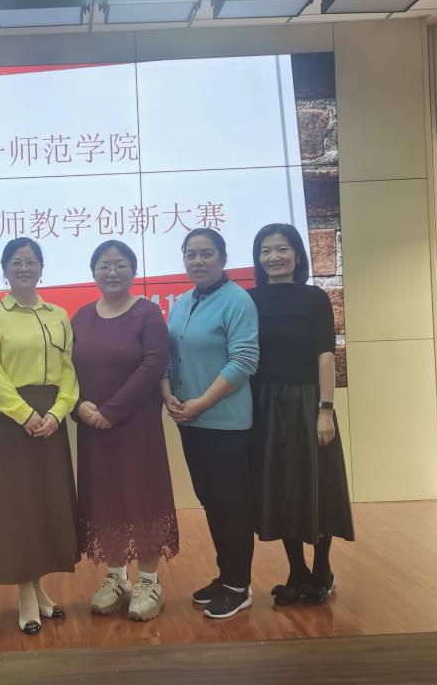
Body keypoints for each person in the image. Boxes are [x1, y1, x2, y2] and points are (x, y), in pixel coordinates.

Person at [0, 237, 80, 635]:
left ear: (41, 268)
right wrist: (24, 414)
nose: (23, 268)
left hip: (51, 420)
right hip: (11, 421)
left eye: (30, 261)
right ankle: (25, 595)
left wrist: (58, 411)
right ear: (4, 270)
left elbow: (69, 370)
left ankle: (39, 589)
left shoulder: (59, 315)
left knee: (45, 504)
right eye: (15, 262)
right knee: (18, 507)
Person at [71, 240, 178, 622]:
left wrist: (112, 411)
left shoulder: (148, 314)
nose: (112, 271)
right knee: (105, 501)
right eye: (104, 265)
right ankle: (115, 577)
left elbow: (153, 365)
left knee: (144, 499)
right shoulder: (81, 317)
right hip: (93, 428)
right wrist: (78, 405)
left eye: (120, 265)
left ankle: (149, 582)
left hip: (137, 427)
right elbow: (65, 369)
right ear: (93, 272)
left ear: (133, 271)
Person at [248, 223, 354, 605]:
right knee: (282, 486)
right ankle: (296, 570)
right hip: (265, 404)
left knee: (318, 484)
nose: (273, 257)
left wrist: (325, 410)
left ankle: (322, 568)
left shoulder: (314, 298)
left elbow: (326, 355)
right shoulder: (249, 300)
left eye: (281, 249)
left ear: (296, 255)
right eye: (265, 250)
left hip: (308, 402)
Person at [163, 227, 259, 620]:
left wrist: (201, 403)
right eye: (191, 254)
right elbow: (168, 356)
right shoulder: (183, 302)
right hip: (190, 421)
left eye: (206, 254)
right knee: (211, 500)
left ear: (223, 258)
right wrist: (167, 393)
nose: (198, 261)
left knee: (232, 504)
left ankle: (239, 586)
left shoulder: (238, 300)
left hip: (225, 422)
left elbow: (244, 361)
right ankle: (226, 576)